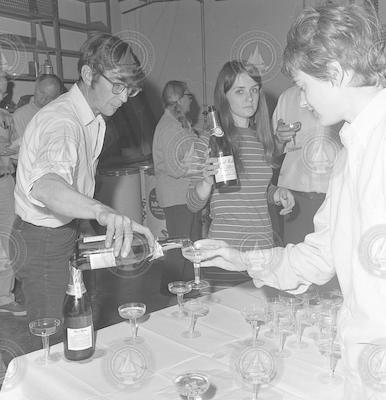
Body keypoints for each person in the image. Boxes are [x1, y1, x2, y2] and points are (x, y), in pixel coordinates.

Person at [195, 3, 386, 398]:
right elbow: (320, 255)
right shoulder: (351, 149)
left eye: (304, 84)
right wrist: (244, 260)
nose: (301, 96)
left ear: (335, 72)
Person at [11, 33, 154, 326]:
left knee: (80, 321)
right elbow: (46, 186)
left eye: (130, 89)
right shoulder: (63, 121)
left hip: (64, 231)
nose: (124, 97)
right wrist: (102, 211)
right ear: (88, 74)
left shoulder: (92, 116)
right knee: (53, 334)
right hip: (43, 239)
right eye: (117, 86)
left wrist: (88, 225)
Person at [187, 60, 294, 253]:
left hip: (263, 250)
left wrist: (277, 194)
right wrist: (205, 183)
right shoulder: (210, 140)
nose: (249, 98)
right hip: (226, 250)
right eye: (240, 91)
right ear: (224, 96)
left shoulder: (262, 139)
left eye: (254, 90)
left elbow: (259, 190)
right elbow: (193, 203)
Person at [273, 85, 342, 245]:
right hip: (296, 200)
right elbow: (273, 154)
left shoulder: (346, 92)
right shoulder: (287, 97)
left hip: (338, 195)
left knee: (340, 261)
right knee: (297, 261)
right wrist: (279, 140)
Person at [152, 80, 202, 294]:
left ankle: (188, 288)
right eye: (188, 95)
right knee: (180, 248)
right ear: (180, 99)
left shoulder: (178, 124)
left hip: (184, 196)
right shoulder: (170, 127)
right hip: (177, 198)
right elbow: (175, 167)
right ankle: (169, 291)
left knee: (189, 246)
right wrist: (203, 169)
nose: (191, 99)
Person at [0, 72, 25, 317]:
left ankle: (4, 296)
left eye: (3, 92)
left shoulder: (7, 117)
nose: (2, 95)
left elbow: (18, 147)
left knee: (7, 238)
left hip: (5, 182)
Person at [12, 74, 63, 148]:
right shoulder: (21, 114)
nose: (44, 99)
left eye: (50, 97)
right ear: (36, 88)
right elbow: (26, 146)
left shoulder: (60, 114)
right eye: (42, 93)